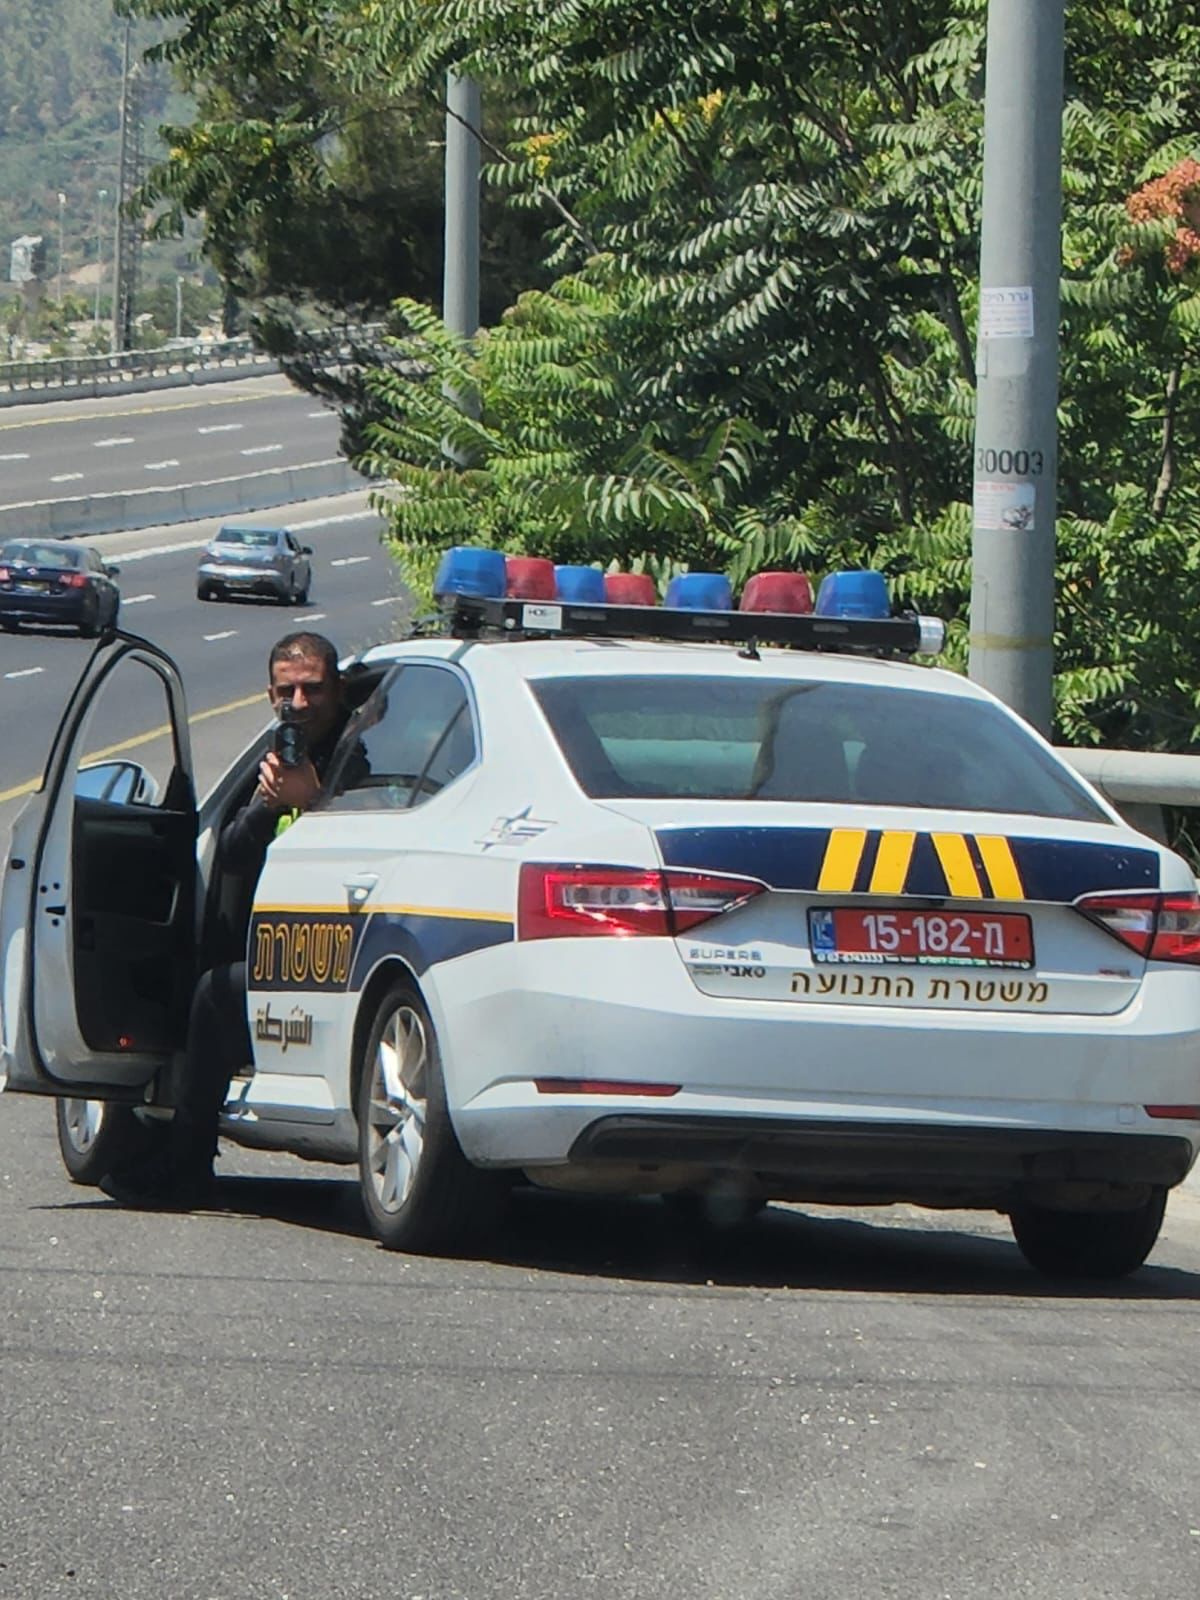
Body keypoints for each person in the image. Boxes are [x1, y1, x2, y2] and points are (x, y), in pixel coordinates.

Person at [100, 631, 349, 1209]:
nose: (301, 703)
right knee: (204, 985)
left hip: (340, 945)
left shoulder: (362, 752)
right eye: (288, 690)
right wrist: (269, 805)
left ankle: (186, 1166)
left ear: (337, 690)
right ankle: (168, 1141)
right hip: (292, 941)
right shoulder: (278, 756)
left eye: (313, 689)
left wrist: (314, 802)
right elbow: (233, 854)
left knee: (215, 997)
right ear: (270, 694)